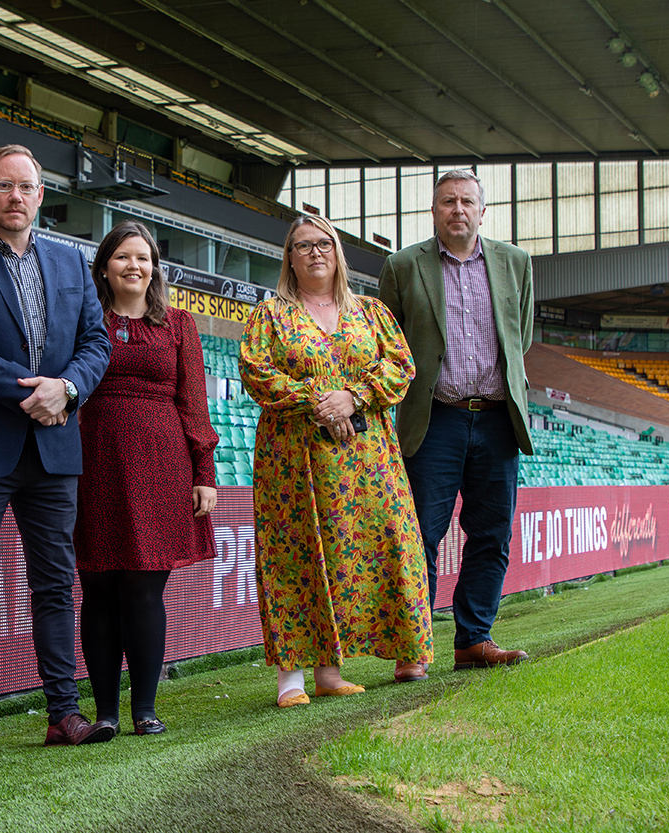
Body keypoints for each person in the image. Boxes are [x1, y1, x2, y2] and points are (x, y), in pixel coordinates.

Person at [0, 144, 112, 758]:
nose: (15, 196)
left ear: (40, 196)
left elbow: (95, 342)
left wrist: (69, 387)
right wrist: (27, 391)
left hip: (56, 450)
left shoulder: (69, 261)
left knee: (57, 585)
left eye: (26, 187)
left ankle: (64, 711)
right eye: (3, 185)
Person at [239, 214, 432, 707]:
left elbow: (401, 364)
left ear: (337, 253)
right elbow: (257, 373)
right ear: (289, 258)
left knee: (391, 541)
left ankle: (365, 663)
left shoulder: (370, 312)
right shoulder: (270, 316)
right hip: (294, 458)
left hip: (368, 458)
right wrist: (320, 402)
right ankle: (292, 679)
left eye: (324, 244)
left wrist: (355, 396)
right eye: (303, 246)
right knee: (297, 554)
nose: (315, 253)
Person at [378, 169, 533, 670]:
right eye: (448, 202)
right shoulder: (403, 266)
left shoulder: (516, 263)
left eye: (467, 201)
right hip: (434, 419)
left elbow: (520, 337)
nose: (458, 210)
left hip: (496, 419)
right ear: (433, 210)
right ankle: (415, 646)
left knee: (492, 535)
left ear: (482, 211)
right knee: (420, 533)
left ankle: (473, 639)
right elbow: (386, 343)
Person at [74, 221, 218, 737]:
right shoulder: (85, 319)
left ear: (154, 267)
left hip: (162, 463)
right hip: (93, 460)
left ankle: (145, 708)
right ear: (105, 266)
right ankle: (106, 712)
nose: (134, 266)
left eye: (143, 258)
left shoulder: (178, 324)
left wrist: (205, 471)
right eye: (122, 257)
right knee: (97, 585)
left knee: (144, 589)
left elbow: (194, 404)